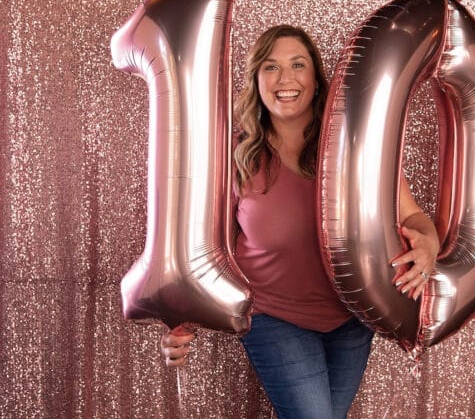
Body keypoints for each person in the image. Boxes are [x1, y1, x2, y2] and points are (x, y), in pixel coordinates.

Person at [161, 25, 439, 419]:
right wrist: (183, 317)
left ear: (315, 78)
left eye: (298, 65)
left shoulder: (352, 148)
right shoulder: (235, 158)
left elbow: (412, 216)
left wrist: (428, 245)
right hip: (274, 318)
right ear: (256, 80)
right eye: (271, 67)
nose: (285, 79)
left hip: (351, 320)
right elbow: (206, 250)